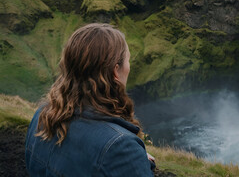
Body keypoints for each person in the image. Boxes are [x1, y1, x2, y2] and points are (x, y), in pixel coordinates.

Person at [25, 23, 155, 176]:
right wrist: (130, 160)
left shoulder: (42, 115)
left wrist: (135, 162)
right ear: (115, 70)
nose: (129, 66)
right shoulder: (120, 147)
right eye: (128, 60)